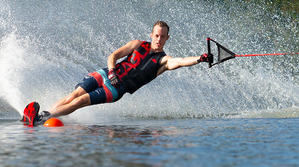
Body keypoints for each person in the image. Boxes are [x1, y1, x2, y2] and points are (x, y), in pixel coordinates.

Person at [35, 21, 209, 124]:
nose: (158, 39)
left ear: (167, 38)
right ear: (151, 34)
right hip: (107, 74)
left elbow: (181, 61)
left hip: (116, 89)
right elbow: (113, 56)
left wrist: (199, 59)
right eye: (156, 35)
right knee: (74, 95)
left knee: (81, 101)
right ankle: (44, 117)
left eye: (162, 37)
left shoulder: (163, 60)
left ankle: (43, 117)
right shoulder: (137, 44)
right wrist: (111, 72)